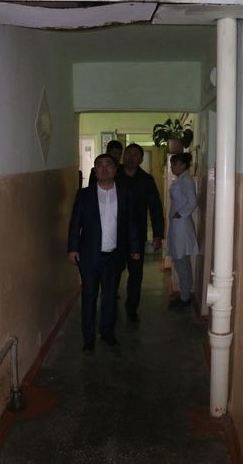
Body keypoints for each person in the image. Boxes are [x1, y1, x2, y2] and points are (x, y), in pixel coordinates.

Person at [68, 154, 140, 351]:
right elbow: (75, 223)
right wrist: (72, 248)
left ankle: (107, 332)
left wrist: (135, 249)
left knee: (109, 297)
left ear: (116, 169)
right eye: (99, 165)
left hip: (114, 256)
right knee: (89, 297)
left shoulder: (125, 194)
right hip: (89, 256)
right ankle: (88, 338)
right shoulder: (84, 195)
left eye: (108, 165)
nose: (104, 168)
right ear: (95, 171)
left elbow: (132, 223)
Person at [116, 143, 164, 322]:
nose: (130, 157)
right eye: (128, 153)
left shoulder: (146, 180)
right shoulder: (114, 175)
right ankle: (109, 305)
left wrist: (158, 234)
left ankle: (131, 308)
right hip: (114, 234)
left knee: (135, 274)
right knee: (112, 272)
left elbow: (155, 207)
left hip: (137, 235)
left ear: (141, 159)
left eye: (135, 154)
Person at [166, 153, 199, 309]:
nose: (172, 167)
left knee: (181, 262)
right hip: (178, 225)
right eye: (172, 164)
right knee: (181, 262)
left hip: (181, 226)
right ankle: (184, 294)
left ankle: (185, 297)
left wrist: (180, 214)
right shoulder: (181, 179)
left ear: (183, 165)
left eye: (175, 164)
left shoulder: (186, 180)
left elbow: (192, 202)